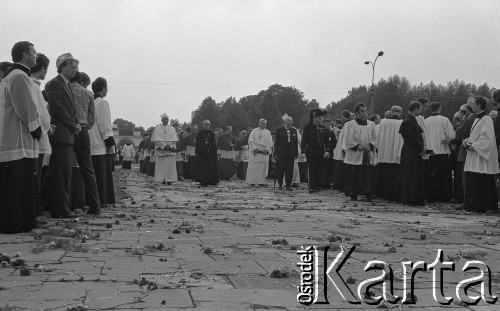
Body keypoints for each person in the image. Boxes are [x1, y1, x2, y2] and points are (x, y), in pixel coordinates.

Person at [0, 41, 41, 233]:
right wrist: (36, 129)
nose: (36, 55)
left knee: (14, 185)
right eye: (33, 52)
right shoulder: (19, 76)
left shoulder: (13, 75)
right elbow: (26, 107)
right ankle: (19, 224)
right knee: (19, 185)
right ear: (25, 54)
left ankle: (17, 222)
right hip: (19, 140)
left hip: (13, 138)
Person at [44, 52, 80, 218]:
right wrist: (73, 124)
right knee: (62, 173)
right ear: (62, 67)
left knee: (60, 172)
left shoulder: (66, 85)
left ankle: (51, 206)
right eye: (71, 67)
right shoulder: (55, 84)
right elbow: (58, 109)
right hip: (61, 134)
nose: (75, 70)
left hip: (67, 134)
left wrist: (76, 122)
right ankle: (61, 209)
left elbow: (70, 110)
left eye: (76, 67)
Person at [69, 71, 101, 214]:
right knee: (88, 169)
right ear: (82, 82)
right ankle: (94, 206)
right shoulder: (88, 95)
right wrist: (84, 125)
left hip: (67, 131)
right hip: (82, 131)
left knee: (66, 167)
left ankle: (67, 203)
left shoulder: (66, 90)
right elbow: (92, 119)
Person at [462, 96, 499, 212]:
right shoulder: (477, 119)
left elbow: (487, 138)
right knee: (474, 178)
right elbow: (476, 135)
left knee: (481, 178)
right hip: (475, 154)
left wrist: (473, 146)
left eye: (473, 104)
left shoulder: (486, 118)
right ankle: (474, 204)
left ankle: (481, 205)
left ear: (479, 105)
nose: (471, 106)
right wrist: (467, 141)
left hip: (481, 156)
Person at [30, 53, 54, 214]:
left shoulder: (33, 85)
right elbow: (40, 112)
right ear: (42, 68)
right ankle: (35, 208)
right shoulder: (33, 85)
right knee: (36, 174)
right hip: (38, 134)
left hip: (38, 132)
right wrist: (48, 126)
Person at [89, 77, 115, 208]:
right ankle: (103, 199)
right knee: (102, 174)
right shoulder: (102, 103)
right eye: (107, 87)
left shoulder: (90, 101)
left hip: (90, 143)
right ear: (103, 87)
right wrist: (110, 143)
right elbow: (104, 124)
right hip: (100, 144)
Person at [342, 103, 377, 200]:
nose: (365, 113)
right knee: (355, 175)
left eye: (366, 111)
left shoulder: (371, 124)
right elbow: (348, 140)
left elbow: (375, 138)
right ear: (357, 113)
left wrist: (369, 145)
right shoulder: (350, 124)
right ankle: (354, 193)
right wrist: (359, 146)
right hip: (355, 154)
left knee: (367, 175)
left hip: (367, 153)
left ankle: (367, 193)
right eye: (362, 111)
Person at [396, 101, 426, 205]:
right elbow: (411, 138)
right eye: (420, 108)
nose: (421, 111)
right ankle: (410, 198)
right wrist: (421, 148)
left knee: (414, 174)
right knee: (410, 175)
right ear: (416, 108)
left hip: (413, 150)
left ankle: (414, 197)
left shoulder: (412, 120)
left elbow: (418, 134)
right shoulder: (408, 121)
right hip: (410, 151)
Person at [424, 102, 455, 202]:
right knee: (443, 175)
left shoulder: (426, 120)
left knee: (431, 175)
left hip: (430, 151)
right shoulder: (444, 119)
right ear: (439, 108)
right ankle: (444, 196)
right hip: (441, 150)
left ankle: (430, 196)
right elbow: (451, 134)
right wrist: (450, 141)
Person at [375, 106, 403, 201]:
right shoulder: (401, 123)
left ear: (391, 112)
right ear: (400, 112)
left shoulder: (383, 122)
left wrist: (379, 148)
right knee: (394, 175)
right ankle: (393, 195)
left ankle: (382, 193)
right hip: (396, 153)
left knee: (384, 174)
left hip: (384, 152)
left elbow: (378, 136)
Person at [450, 103, 475, 205]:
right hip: (466, 148)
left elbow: (459, 132)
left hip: (465, 149)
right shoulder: (473, 118)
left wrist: (459, 124)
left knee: (462, 174)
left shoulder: (469, 119)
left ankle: (463, 199)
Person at [301, 109, 331, 193]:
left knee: (319, 169)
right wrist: (303, 152)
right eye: (319, 117)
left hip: (321, 150)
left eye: (321, 117)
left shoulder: (323, 127)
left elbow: (326, 141)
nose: (321, 119)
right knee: (312, 168)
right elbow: (304, 140)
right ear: (314, 118)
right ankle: (312, 186)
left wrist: (327, 150)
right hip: (311, 150)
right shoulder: (308, 127)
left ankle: (317, 185)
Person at [274, 114, 299, 190]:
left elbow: (295, 143)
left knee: (289, 171)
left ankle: (288, 185)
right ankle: (280, 185)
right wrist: (276, 154)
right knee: (281, 170)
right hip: (281, 154)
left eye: (291, 121)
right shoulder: (279, 130)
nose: (291, 122)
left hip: (291, 154)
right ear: (285, 122)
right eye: (289, 121)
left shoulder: (294, 130)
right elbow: (276, 143)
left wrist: (296, 153)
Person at [152, 114, 178, 184]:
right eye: (164, 119)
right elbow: (156, 140)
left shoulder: (172, 129)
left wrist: (169, 146)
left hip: (170, 149)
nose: (166, 120)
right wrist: (164, 145)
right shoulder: (157, 129)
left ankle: (170, 179)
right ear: (161, 120)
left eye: (167, 119)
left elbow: (174, 140)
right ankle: (161, 179)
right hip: (161, 150)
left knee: (170, 165)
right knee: (161, 165)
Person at [246, 119, 273, 186]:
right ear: (258, 123)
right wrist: (255, 148)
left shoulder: (268, 132)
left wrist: (267, 150)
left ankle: (261, 182)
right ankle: (252, 181)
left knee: (263, 168)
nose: (263, 124)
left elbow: (270, 143)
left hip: (264, 152)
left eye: (264, 123)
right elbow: (251, 141)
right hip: (256, 152)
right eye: (261, 123)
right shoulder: (254, 131)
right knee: (254, 167)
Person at [332, 110, 351, 191]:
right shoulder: (346, 124)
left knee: (342, 170)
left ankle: (340, 186)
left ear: (343, 116)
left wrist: (344, 149)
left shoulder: (347, 124)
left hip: (343, 150)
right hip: (342, 150)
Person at [195, 120, 218, 186]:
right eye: (205, 124)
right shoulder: (199, 134)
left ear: (210, 125)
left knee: (211, 167)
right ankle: (203, 181)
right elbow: (198, 143)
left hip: (210, 154)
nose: (206, 126)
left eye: (208, 124)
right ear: (203, 125)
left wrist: (209, 149)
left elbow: (213, 143)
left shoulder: (212, 134)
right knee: (203, 168)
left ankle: (212, 181)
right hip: (202, 154)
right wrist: (204, 149)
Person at [320, 118, 337, 189]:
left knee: (329, 168)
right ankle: (321, 183)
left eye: (328, 124)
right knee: (322, 168)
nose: (327, 125)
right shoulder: (320, 132)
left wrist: (329, 149)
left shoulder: (331, 133)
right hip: (321, 153)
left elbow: (334, 143)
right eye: (325, 124)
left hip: (330, 153)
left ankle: (327, 183)